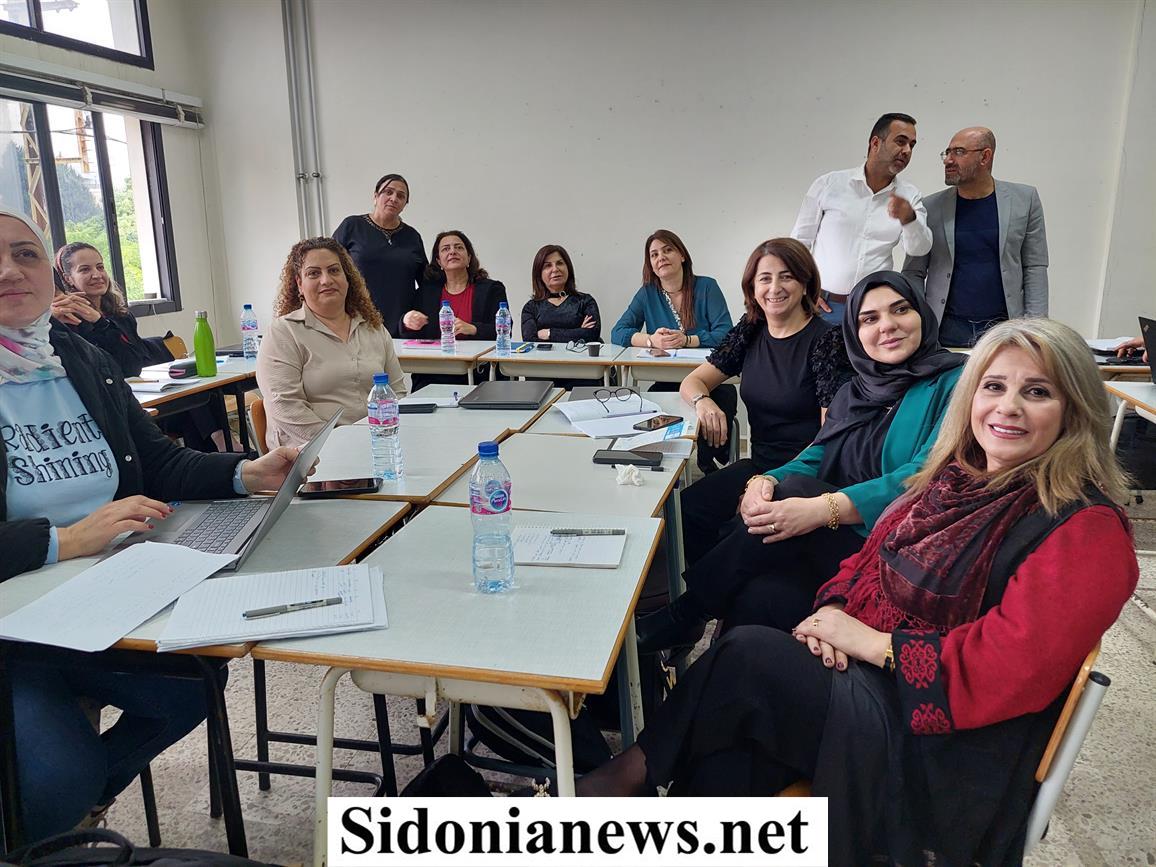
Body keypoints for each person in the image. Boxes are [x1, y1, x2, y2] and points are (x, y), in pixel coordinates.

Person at [580, 317, 1138, 867]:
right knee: (737, 726)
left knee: (748, 659)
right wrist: (833, 611)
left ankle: (626, 776)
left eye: (1037, 392)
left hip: (943, 741)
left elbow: (1002, 672)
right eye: (993, 386)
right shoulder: (959, 476)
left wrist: (872, 644)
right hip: (885, 686)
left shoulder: (1086, 530)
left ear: (1075, 410)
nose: (1008, 406)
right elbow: (868, 558)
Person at [0, 209, 302, 838]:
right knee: (56, 779)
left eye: (25, 254)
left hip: (103, 593)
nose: (9, 271)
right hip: (15, 626)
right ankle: (52, 818)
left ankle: (57, 818)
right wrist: (63, 540)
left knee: (191, 685)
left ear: (47, 269)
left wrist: (245, 473)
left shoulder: (77, 356)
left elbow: (156, 460)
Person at [638, 271, 964, 653]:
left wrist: (821, 509)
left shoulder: (954, 382)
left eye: (901, 310)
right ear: (855, 332)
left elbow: (925, 475)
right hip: (834, 539)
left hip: (895, 542)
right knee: (756, 595)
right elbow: (818, 453)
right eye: (869, 318)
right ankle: (707, 660)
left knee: (791, 494)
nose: (887, 325)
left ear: (922, 314)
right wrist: (764, 481)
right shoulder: (857, 390)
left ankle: (688, 612)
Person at [678, 238, 850, 569]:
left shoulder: (828, 340)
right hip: (758, 464)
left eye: (786, 277)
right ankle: (707, 593)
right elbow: (693, 382)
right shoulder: (750, 329)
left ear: (805, 283)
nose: (774, 288)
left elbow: (831, 435)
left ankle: (712, 594)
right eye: (765, 278)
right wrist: (704, 403)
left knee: (741, 528)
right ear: (752, 287)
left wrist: (768, 482)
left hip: (805, 474)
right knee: (686, 510)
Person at [257, 237, 408, 451]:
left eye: (334, 270)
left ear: (347, 278)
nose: (326, 280)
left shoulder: (373, 328)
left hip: (378, 444)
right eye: (313, 273)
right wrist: (342, 443)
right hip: (311, 453)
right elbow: (285, 407)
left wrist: (384, 434)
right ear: (299, 284)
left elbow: (398, 392)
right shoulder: (284, 332)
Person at [903, 127, 1049, 347]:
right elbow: (913, 271)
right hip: (944, 330)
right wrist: (921, 321)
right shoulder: (930, 207)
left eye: (959, 152)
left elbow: (1034, 266)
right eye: (947, 152)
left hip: (1005, 328)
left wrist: (1036, 329)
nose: (948, 160)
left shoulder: (1025, 200)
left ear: (985, 156)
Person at [791, 112, 932, 324]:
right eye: (901, 141)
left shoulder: (909, 196)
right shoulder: (829, 185)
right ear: (875, 143)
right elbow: (799, 242)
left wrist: (909, 218)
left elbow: (919, 249)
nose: (907, 151)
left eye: (912, 145)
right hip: (824, 307)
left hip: (873, 310)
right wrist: (803, 288)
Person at [612, 229, 734, 472]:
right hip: (668, 380)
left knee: (725, 397)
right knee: (653, 399)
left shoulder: (707, 287)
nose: (661, 257)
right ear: (651, 264)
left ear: (682, 256)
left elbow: (726, 333)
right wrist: (651, 340)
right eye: (654, 254)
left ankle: (708, 463)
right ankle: (668, 467)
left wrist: (688, 340)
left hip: (709, 379)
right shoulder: (647, 293)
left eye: (667, 250)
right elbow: (618, 332)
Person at [50, 242, 172, 378]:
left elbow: (134, 366)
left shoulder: (122, 315)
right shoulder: (68, 320)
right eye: (85, 270)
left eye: (100, 267)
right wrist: (99, 324)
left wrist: (100, 322)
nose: (97, 275)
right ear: (68, 279)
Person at [333, 173, 426, 337]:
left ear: (405, 204)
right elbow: (330, 267)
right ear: (375, 196)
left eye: (401, 196)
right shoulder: (352, 226)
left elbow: (426, 281)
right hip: (357, 322)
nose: (394, 198)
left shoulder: (412, 236)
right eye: (388, 192)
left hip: (401, 326)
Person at [400, 230, 507, 341]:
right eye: (446, 249)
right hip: (437, 352)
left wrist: (474, 329)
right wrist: (407, 323)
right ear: (439, 261)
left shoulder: (492, 290)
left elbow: (505, 330)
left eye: (459, 247)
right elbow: (413, 334)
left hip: (479, 352)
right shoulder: (426, 293)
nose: (452, 252)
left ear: (469, 258)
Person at [519, 244, 601, 344]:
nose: (555, 269)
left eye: (560, 263)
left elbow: (592, 335)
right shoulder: (531, 307)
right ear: (539, 274)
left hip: (580, 354)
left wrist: (549, 333)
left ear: (568, 268)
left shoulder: (585, 301)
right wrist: (578, 332)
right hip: (544, 355)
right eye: (548, 265)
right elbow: (530, 340)